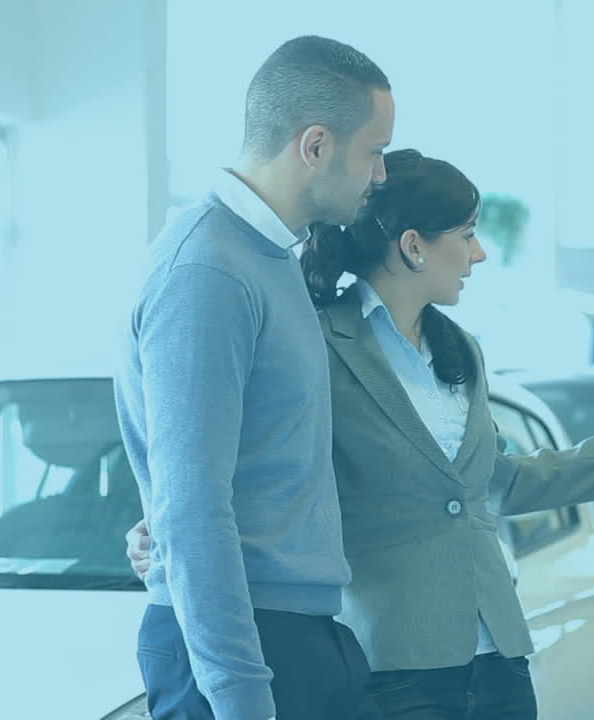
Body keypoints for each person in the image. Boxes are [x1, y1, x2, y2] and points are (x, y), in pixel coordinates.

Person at [128, 148, 594, 718]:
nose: (481, 253)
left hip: (499, 655)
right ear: (414, 246)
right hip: (392, 660)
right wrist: (159, 533)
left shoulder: (459, 349)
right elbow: (255, 463)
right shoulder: (314, 343)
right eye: (467, 234)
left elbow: (503, 480)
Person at [112, 36, 394, 720]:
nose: (380, 175)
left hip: (298, 633)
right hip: (247, 651)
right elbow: (192, 505)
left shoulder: (270, 259)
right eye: (374, 151)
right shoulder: (206, 269)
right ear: (316, 145)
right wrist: (240, 696)